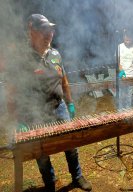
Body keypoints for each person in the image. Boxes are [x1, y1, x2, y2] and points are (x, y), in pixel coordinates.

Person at [7, 14, 92, 191]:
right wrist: (18, 120)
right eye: (44, 30)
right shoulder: (23, 59)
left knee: (71, 143)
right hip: (35, 112)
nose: (49, 34)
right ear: (32, 31)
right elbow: (13, 93)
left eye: (51, 30)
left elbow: (64, 81)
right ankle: (50, 183)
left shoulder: (55, 54)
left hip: (59, 107)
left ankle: (77, 176)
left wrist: (69, 103)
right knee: (42, 151)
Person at [118, 30, 133, 108]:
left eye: (129, 37)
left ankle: (128, 113)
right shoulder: (119, 47)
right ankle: (121, 112)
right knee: (121, 96)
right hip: (122, 77)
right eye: (126, 37)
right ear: (123, 37)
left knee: (130, 96)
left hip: (132, 76)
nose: (127, 39)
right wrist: (121, 72)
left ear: (132, 38)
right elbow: (118, 62)